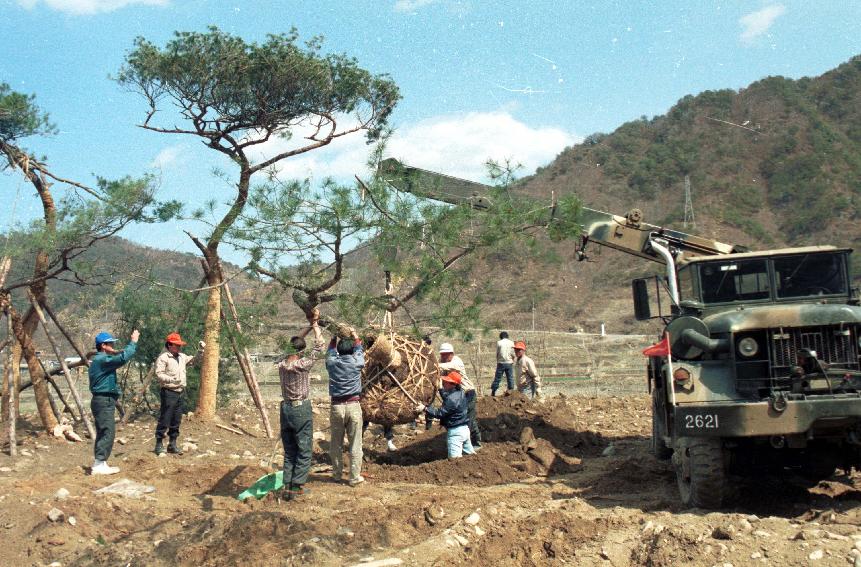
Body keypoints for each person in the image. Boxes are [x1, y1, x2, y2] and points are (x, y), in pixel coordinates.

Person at [277, 311, 325, 499]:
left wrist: (308, 325)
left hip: (285, 409)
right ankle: (297, 488)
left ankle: (287, 486)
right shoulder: (302, 365)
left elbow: (294, 345)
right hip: (300, 409)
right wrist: (315, 326)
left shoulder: (281, 363)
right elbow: (320, 345)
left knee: (290, 451)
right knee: (304, 450)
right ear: (301, 352)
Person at [88, 329, 139, 475]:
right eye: (110, 344)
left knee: (104, 430)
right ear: (103, 345)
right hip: (103, 400)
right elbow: (122, 358)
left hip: (103, 400)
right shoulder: (102, 359)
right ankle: (99, 465)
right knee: (107, 431)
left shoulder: (100, 359)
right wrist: (133, 342)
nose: (112, 347)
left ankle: (100, 462)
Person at [325, 328, 366, 487]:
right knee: (355, 443)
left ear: (339, 351)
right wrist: (356, 335)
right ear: (351, 351)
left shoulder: (332, 364)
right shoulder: (357, 363)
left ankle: (336, 474)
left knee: (336, 443)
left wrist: (334, 338)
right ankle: (354, 477)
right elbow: (359, 349)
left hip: (337, 406)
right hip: (353, 406)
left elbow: (330, 352)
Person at [154, 332, 205, 456]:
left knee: (177, 419)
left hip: (180, 392)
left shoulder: (182, 357)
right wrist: (171, 380)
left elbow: (194, 361)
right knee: (165, 418)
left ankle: (172, 444)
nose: (179, 347)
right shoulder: (163, 358)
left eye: (179, 345)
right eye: (176, 345)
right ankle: (159, 444)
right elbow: (159, 374)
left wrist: (200, 351)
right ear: (170, 345)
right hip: (168, 392)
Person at [415, 370, 474, 458]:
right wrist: (441, 389)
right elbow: (448, 400)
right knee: (471, 457)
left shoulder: (452, 399)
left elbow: (440, 413)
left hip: (455, 433)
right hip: (464, 430)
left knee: (455, 461)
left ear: (452, 384)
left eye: (446, 382)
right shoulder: (460, 393)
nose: (444, 383)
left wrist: (425, 408)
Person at [438, 343, 482, 449]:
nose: (443, 356)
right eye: (442, 354)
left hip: (468, 392)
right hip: (457, 395)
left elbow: (443, 367)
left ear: (452, 354)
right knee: (466, 418)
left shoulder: (457, 361)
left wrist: (432, 364)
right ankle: (472, 442)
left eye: (446, 354)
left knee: (468, 419)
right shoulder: (442, 362)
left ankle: (473, 444)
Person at [491, 331, 515, 396]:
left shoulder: (499, 343)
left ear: (501, 337)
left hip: (501, 363)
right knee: (510, 377)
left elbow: (497, 353)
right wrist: (513, 359)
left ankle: (493, 391)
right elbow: (513, 353)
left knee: (497, 378)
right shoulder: (511, 343)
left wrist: (498, 361)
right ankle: (510, 390)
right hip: (509, 362)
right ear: (507, 336)